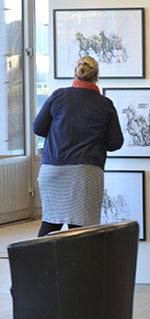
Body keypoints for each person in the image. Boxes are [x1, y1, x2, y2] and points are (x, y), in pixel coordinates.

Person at [33, 56, 123, 237]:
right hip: (86, 173)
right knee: (80, 231)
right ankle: (77, 258)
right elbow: (115, 143)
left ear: (76, 73)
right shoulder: (105, 104)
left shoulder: (59, 96)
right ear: (97, 76)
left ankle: (36, 257)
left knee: (50, 223)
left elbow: (38, 128)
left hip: (53, 170)